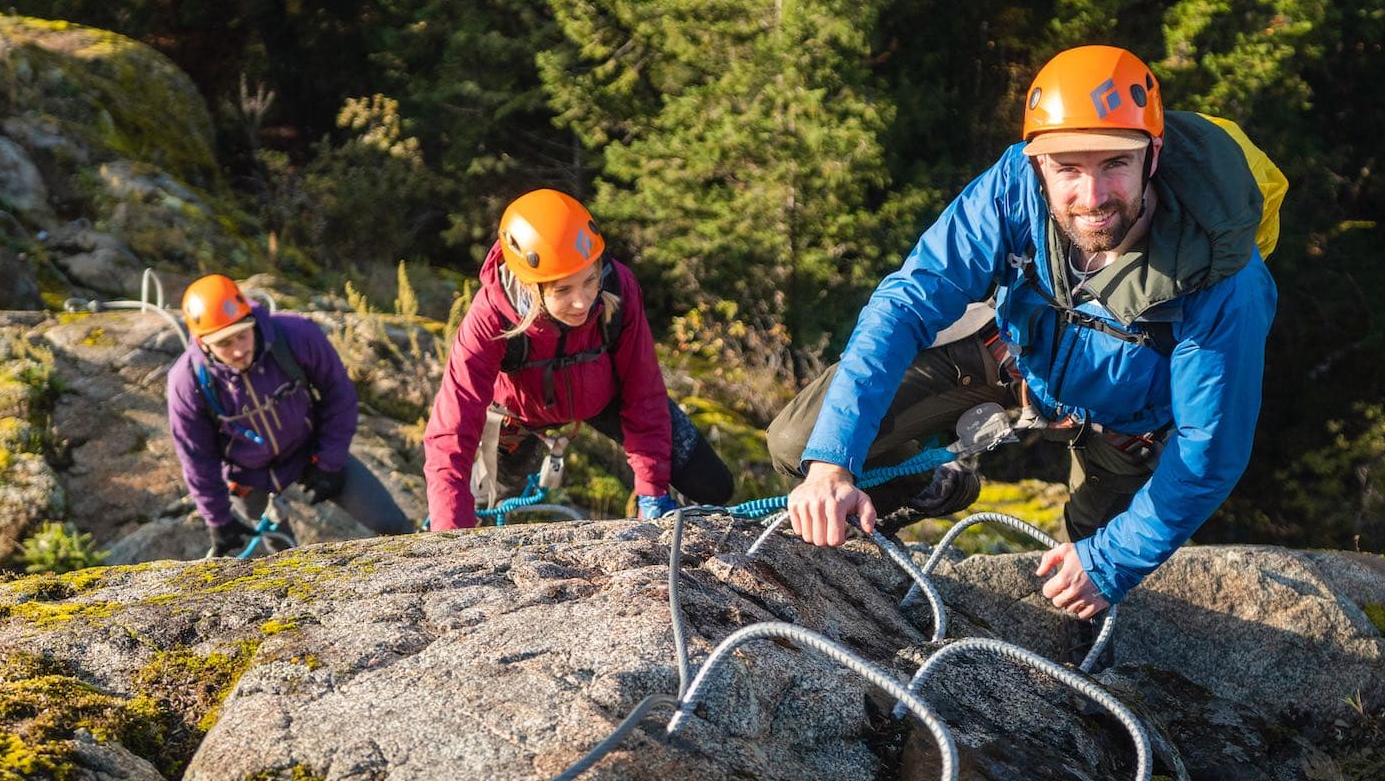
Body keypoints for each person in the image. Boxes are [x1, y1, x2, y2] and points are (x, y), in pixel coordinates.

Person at [768, 45, 1282, 617]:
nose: (1092, 198)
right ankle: (932, 486)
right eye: (1068, 168)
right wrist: (833, 463)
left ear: (1152, 155)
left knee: (1079, 602)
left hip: (1124, 427)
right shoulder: (1013, 186)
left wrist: (1110, 559)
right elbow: (906, 303)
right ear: (1039, 163)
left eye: (1115, 164)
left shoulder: (1221, 274)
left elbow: (1209, 447)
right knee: (800, 446)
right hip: (1013, 357)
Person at [422, 189, 735, 530]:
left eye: (589, 281)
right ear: (531, 286)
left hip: (604, 396)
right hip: (518, 414)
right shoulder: (491, 319)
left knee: (713, 486)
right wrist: (450, 533)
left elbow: (643, 393)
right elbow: (453, 427)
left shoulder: (619, 289)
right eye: (563, 291)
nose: (583, 302)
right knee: (486, 508)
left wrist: (652, 492)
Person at [166, 273, 414, 551]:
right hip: (248, 476)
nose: (237, 351)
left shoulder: (296, 336)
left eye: (241, 336)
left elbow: (339, 395)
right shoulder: (186, 383)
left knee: (394, 526)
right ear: (202, 343)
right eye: (224, 343)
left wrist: (329, 461)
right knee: (282, 558)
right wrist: (218, 520)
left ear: (252, 323)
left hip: (311, 449)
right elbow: (197, 458)